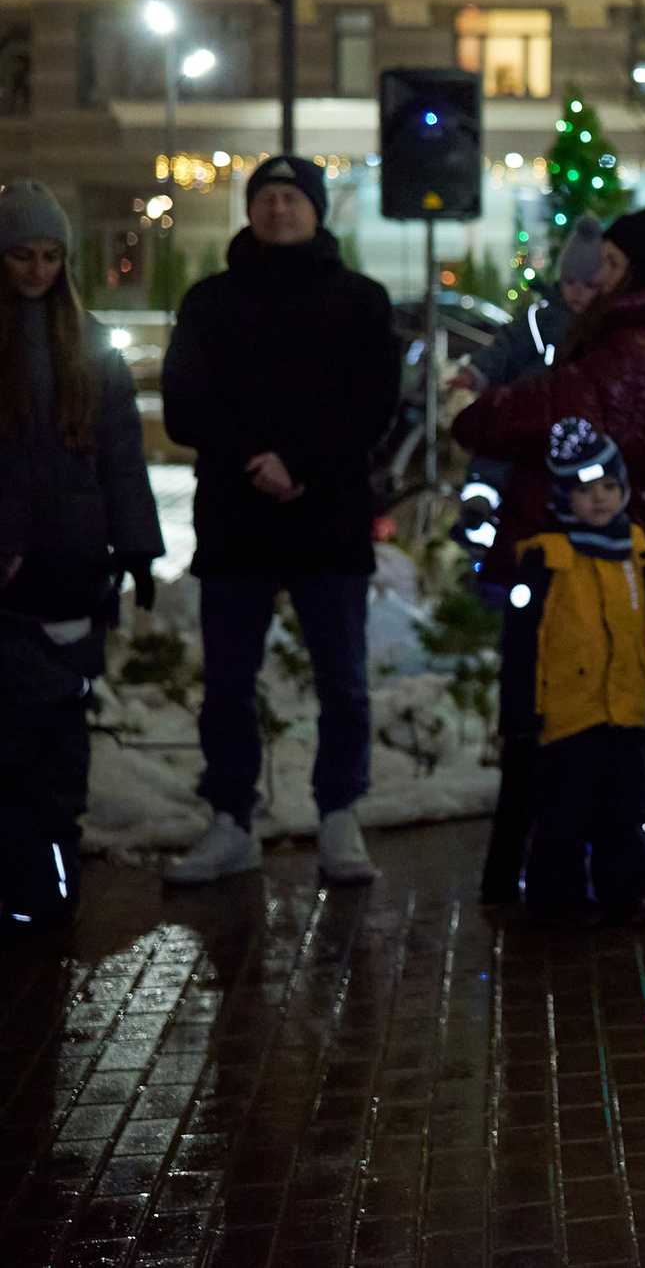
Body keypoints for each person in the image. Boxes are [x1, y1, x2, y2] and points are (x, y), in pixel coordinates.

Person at [454, 205, 645, 903]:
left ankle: (552, 881)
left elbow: (511, 415)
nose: (596, 274)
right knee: (633, 714)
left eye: (609, 262)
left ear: (635, 268)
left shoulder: (629, 351)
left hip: (588, 549)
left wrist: (474, 406)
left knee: (562, 714)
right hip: (630, 542)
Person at [160, 156, 402, 887]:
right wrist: (254, 462)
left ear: (317, 209)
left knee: (343, 680)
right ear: (250, 208)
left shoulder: (361, 300)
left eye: (292, 197)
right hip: (236, 518)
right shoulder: (210, 301)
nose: (278, 209)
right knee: (229, 681)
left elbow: (374, 406)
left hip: (325, 515)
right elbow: (185, 404)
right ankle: (232, 818)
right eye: (266, 196)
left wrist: (297, 462)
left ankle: (339, 814)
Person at [0, 183, 162, 929]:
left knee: (58, 735)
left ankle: (47, 886)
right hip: (14, 568)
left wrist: (135, 549)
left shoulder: (90, 343)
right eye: (22, 255)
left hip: (69, 568)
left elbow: (122, 456)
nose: (35, 270)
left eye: (49, 256)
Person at [499, 419, 645, 927]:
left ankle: (626, 893)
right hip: (566, 713)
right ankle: (557, 898)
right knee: (563, 813)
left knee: (624, 810)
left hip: (624, 707)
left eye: (609, 487)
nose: (600, 499)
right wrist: (521, 709)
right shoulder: (545, 558)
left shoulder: (635, 552)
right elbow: (522, 641)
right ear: (562, 497)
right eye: (584, 490)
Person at [452, 216, 606, 582]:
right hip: (530, 406)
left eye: (587, 284)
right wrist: (475, 372)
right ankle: (481, 502)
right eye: (569, 282)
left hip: (567, 420)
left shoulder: (604, 327)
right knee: (497, 442)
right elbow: (506, 347)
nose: (576, 293)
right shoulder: (542, 320)